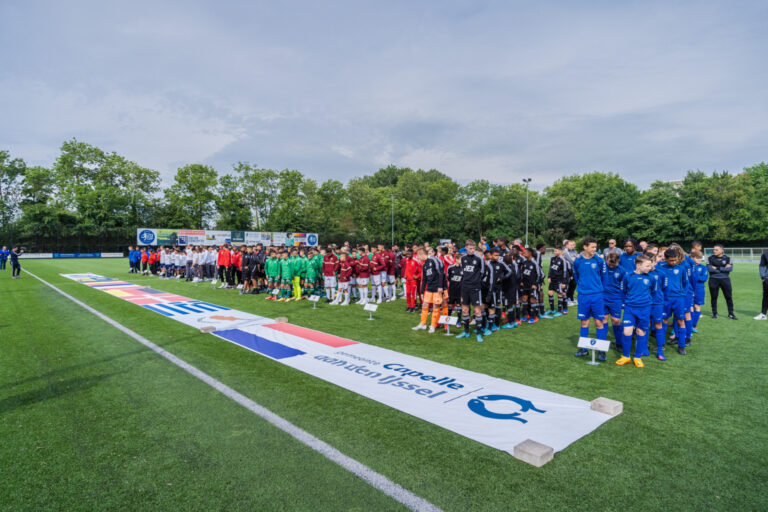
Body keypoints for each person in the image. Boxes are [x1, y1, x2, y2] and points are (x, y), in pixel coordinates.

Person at [572, 237, 609, 361]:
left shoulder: (599, 261)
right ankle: (583, 349)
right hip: (583, 296)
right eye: (592, 247)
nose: (595, 249)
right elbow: (577, 276)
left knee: (599, 322)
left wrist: (598, 290)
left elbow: (604, 277)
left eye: (595, 247)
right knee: (584, 322)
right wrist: (583, 287)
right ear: (585, 247)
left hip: (597, 296)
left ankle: (602, 351)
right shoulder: (577, 262)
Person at [616, 254, 655, 368]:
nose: (650, 267)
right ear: (638, 265)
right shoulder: (628, 276)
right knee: (627, 332)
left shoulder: (650, 278)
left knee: (640, 332)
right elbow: (622, 291)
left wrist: (646, 302)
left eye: (650, 265)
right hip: (630, 308)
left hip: (644, 309)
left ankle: (637, 357)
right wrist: (626, 303)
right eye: (647, 265)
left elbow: (653, 292)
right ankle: (626, 356)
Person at [657, 247, 690, 356]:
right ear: (665, 259)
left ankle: (681, 346)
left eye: (675, 260)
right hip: (665, 299)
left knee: (681, 321)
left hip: (678, 299)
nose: (674, 262)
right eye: (671, 260)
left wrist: (682, 294)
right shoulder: (660, 268)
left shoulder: (681, 268)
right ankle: (661, 345)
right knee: (664, 321)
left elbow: (686, 283)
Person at [455, 239, 486, 342]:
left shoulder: (479, 259)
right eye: (470, 248)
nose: (472, 250)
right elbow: (464, 272)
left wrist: (476, 282)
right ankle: (466, 331)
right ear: (466, 248)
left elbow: (482, 272)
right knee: (465, 310)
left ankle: (478, 333)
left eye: (473, 248)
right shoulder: (463, 258)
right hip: (465, 287)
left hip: (475, 288)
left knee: (477, 311)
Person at [412, 248, 446, 333]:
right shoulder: (424, 264)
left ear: (421, 254)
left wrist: (440, 286)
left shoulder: (434, 260)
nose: (418, 257)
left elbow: (441, 273)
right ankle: (423, 324)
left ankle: (433, 325)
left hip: (437, 288)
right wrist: (422, 291)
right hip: (429, 288)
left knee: (436, 306)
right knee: (425, 304)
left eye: (418, 256)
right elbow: (425, 279)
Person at [602, 252, 627, 350]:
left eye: (614, 264)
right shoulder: (602, 268)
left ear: (618, 261)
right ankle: (602, 341)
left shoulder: (622, 271)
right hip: (603, 297)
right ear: (606, 259)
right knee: (603, 319)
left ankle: (619, 342)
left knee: (616, 320)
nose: (611, 265)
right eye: (609, 263)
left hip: (616, 298)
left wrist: (623, 300)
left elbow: (625, 286)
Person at [707, 244, 736, 319]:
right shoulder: (710, 258)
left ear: (722, 250)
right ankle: (715, 313)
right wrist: (723, 268)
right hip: (713, 279)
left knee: (728, 297)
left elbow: (730, 269)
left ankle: (731, 313)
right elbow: (710, 269)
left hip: (725, 279)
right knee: (714, 297)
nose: (714, 251)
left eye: (716, 250)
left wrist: (716, 268)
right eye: (714, 249)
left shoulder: (728, 258)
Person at [547, 246, 571, 316]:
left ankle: (560, 311)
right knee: (550, 293)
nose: (555, 252)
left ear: (560, 251)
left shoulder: (563, 260)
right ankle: (552, 310)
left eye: (556, 251)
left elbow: (565, 271)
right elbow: (550, 268)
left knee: (559, 294)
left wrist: (564, 282)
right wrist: (549, 276)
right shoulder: (552, 259)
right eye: (554, 251)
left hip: (559, 280)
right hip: (552, 280)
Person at [690, 249, 709, 330]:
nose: (699, 259)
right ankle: (688, 324)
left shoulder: (703, 268)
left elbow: (704, 278)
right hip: (690, 289)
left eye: (700, 258)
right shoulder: (689, 266)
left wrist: (694, 277)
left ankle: (694, 325)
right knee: (689, 307)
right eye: (697, 258)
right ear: (692, 258)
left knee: (697, 306)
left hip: (699, 289)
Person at [757, 249, 768, 320]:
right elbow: (761, 266)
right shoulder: (765, 254)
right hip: (767, 279)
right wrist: (763, 276)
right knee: (766, 297)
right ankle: (763, 314)